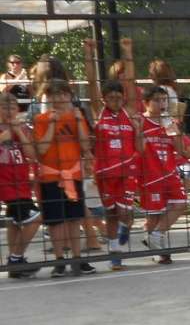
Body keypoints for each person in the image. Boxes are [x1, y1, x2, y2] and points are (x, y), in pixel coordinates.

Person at [32, 79, 95, 276]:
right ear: (48, 98)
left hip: (73, 174)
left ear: (69, 96)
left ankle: (77, 259)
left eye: (63, 94)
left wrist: (79, 121)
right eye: (54, 94)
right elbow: (42, 149)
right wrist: (52, 124)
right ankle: (59, 260)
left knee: (75, 218)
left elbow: (85, 146)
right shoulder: (41, 119)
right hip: (51, 176)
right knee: (55, 220)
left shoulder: (76, 117)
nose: (59, 98)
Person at [92, 79, 143, 271]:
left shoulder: (128, 114)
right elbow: (91, 84)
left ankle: (125, 228)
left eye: (118, 97)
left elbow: (140, 148)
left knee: (124, 213)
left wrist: (138, 130)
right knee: (111, 214)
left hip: (126, 170)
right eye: (111, 98)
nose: (115, 101)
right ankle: (115, 254)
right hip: (105, 173)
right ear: (103, 99)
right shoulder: (99, 113)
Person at [139, 87, 188, 264]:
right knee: (154, 214)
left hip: (169, 171)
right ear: (146, 103)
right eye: (157, 100)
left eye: (164, 100)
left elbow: (181, 150)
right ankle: (158, 251)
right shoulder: (140, 121)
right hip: (150, 174)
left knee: (181, 203)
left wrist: (175, 130)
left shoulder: (168, 122)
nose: (162, 103)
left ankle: (156, 236)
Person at [0, 93, 41, 278]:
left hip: (22, 182)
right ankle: (15, 259)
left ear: (17, 109)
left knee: (14, 222)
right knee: (36, 218)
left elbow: (32, 154)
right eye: (4, 107)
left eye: (12, 108)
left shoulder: (23, 128)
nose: (9, 111)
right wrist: (6, 134)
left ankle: (15, 262)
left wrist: (19, 132)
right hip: (6, 183)